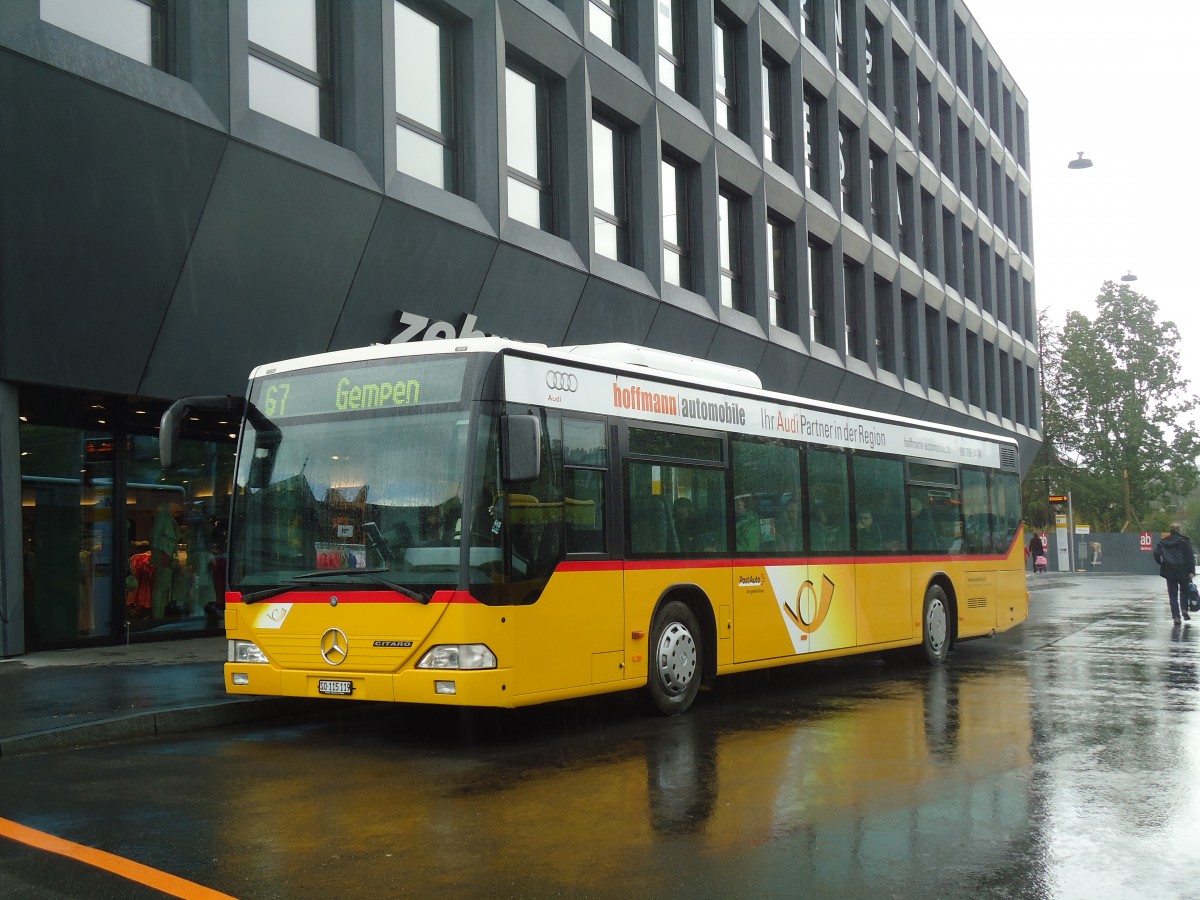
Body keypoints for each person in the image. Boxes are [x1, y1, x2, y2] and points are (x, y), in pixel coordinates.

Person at [1153, 523, 1196, 624]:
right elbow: (1190, 557)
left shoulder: (1164, 541)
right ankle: (1184, 609)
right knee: (1184, 592)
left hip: (1169, 571)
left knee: (1172, 595)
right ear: (1179, 530)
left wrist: (1161, 563)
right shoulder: (1184, 541)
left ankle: (1176, 617)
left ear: (1171, 530)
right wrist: (1191, 571)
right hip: (1183, 571)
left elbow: (1156, 553)